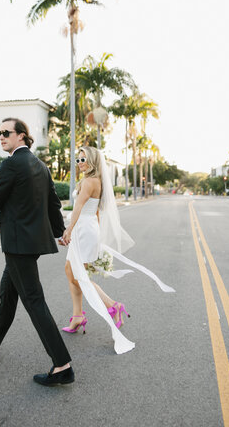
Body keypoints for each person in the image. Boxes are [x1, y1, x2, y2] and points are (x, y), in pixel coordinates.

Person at [0, 117, 74, 386]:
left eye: (6, 132)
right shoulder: (40, 165)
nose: (1, 137)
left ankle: (62, 364)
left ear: (22, 136)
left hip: (17, 246)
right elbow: (53, 202)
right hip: (30, 245)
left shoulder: (12, 164)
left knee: (34, 301)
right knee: (8, 294)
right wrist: (59, 231)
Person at [61, 146, 175, 354]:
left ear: (93, 161)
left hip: (82, 230)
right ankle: (78, 315)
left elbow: (78, 208)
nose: (79, 163)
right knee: (71, 273)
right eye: (78, 160)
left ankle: (113, 306)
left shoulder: (89, 181)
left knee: (79, 276)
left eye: (83, 159)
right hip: (85, 229)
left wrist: (69, 229)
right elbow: (94, 211)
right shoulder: (95, 181)